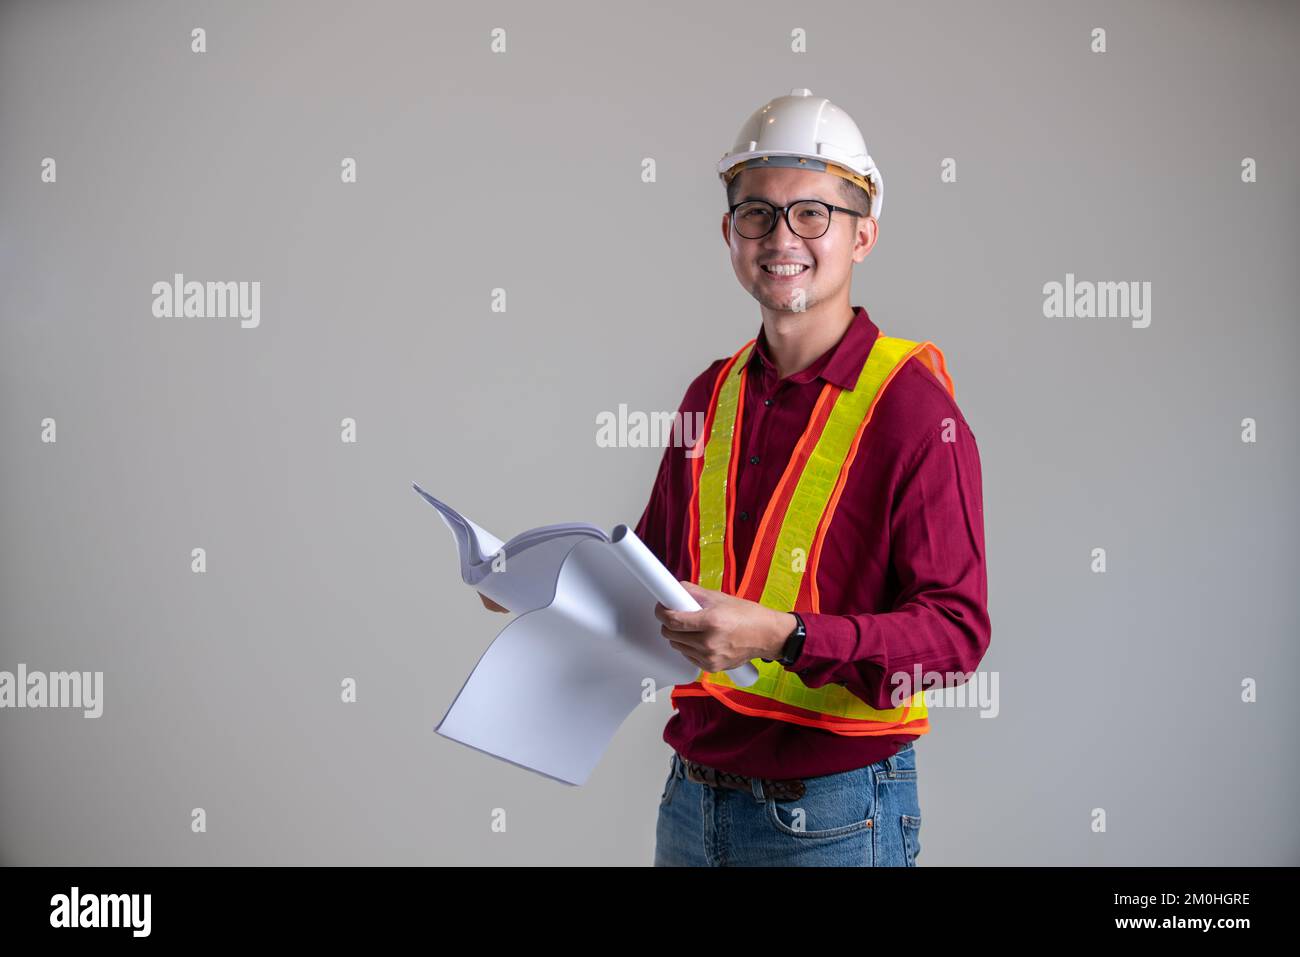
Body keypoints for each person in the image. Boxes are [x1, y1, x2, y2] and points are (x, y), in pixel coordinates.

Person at [632, 89, 992, 866]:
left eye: (812, 213)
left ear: (863, 235)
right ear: (730, 232)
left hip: (830, 818)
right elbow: (654, 578)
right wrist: (547, 590)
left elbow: (956, 636)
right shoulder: (711, 395)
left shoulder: (912, 409)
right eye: (757, 212)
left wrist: (785, 636)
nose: (781, 235)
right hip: (691, 802)